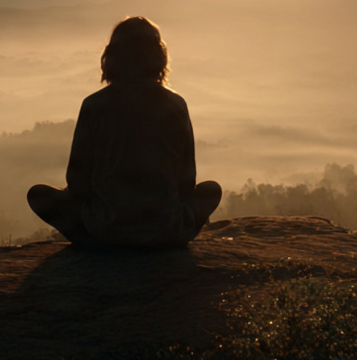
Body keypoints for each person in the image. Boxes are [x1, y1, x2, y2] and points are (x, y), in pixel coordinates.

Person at [27, 16, 222, 248]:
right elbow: (187, 180)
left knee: (38, 195)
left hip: (105, 230)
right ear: (158, 55)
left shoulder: (94, 105)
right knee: (211, 191)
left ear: (111, 55)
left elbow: (77, 180)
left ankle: (95, 242)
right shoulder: (175, 105)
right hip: (166, 229)